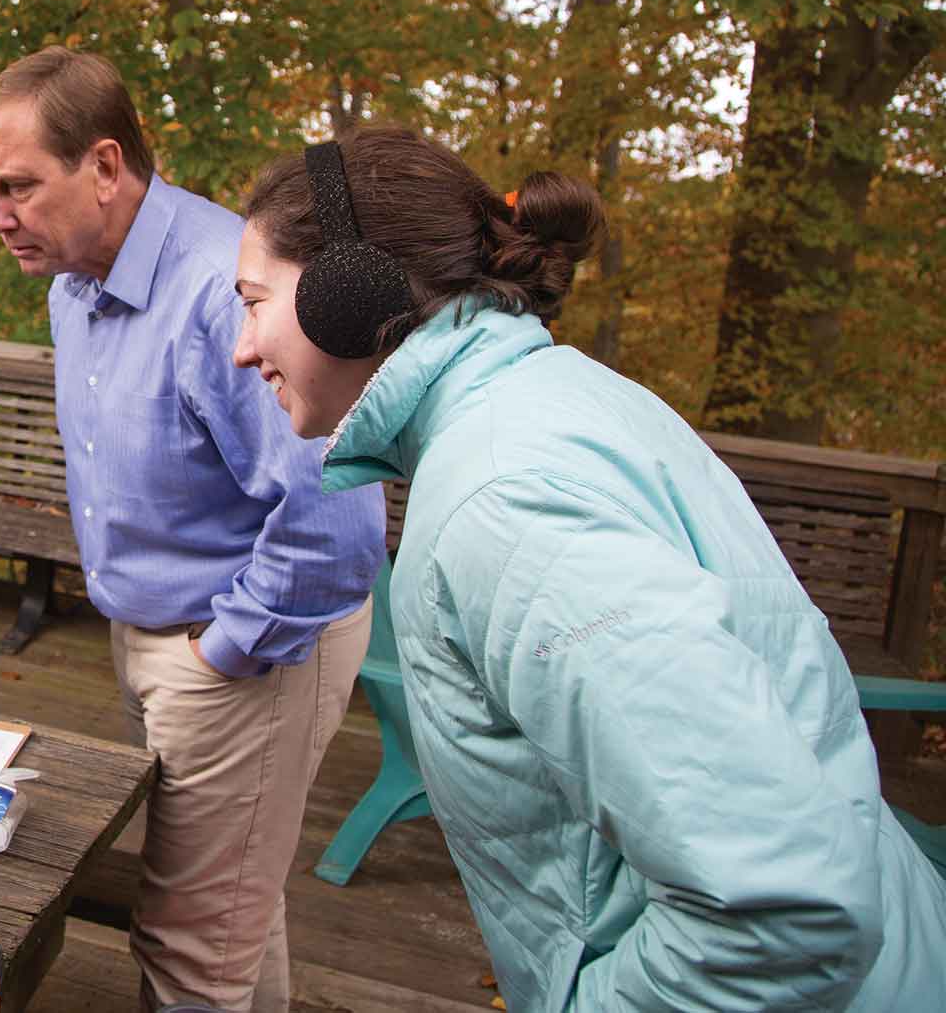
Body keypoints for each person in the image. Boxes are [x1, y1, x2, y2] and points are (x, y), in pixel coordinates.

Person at [234, 129, 946, 1011]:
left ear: (351, 291)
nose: (240, 345)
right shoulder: (554, 401)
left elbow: (781, 909)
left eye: (253, 300)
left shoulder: (508, 499)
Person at [0, 47, 386, 1012]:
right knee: (232, 911)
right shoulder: (73, 278)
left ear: (105, 165)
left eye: (18, 185)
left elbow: (340, 517)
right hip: (150, 637)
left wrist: (224, 650)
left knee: (187, 944)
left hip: (247, 647)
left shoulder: (222, 288)